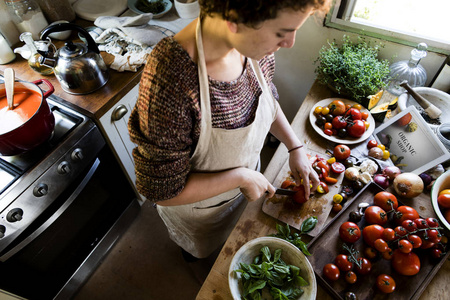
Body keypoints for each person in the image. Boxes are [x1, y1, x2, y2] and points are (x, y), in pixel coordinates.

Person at [128, 0, 331, 261]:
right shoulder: (171, 81)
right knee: (202, 255)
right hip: (200, 212)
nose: (290, 43)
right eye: (282, 32)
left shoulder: (255, 48)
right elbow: (160, 192)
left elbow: (266, 100)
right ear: (234, 16)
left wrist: (295, 147)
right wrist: (241, 177)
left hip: (247, 184)